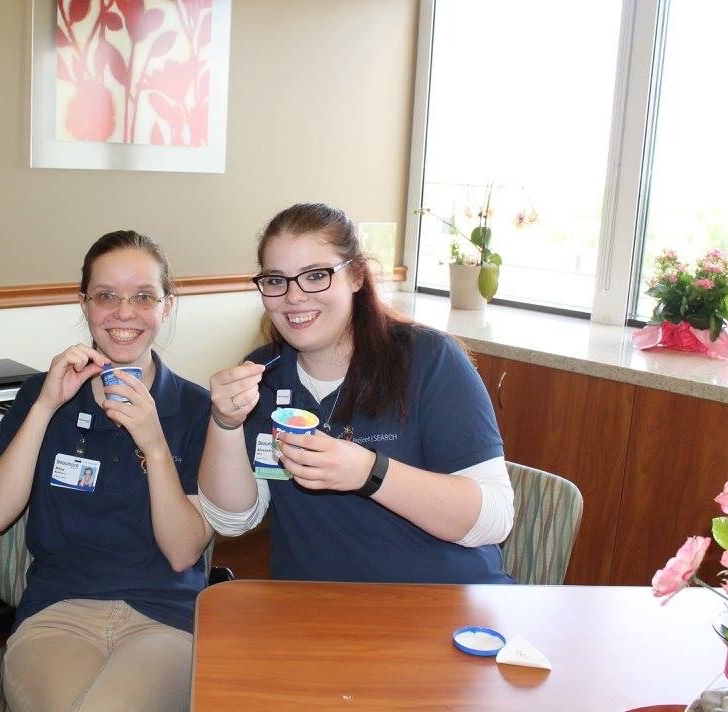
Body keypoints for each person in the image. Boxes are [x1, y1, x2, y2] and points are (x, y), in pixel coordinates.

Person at [198, 203, 514, 584]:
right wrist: (225, 424)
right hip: (317, 611)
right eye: (276, 280)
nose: (294, 297)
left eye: (316, 275)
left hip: (442, 603)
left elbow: (494, 519)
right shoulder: (264, 375)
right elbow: (233, 521)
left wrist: (370, 472)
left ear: (357, 276)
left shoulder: (429, 360)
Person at [0, 230, 213, 712]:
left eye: (143, 296)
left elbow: (182, 551)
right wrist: (45, 406)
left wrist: (153, 441)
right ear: (83, 304)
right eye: (106, 296)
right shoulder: (41, 394)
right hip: (57, 613)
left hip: (165, 620)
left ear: (167, 306)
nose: (124, 313)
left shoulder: (196, 408)